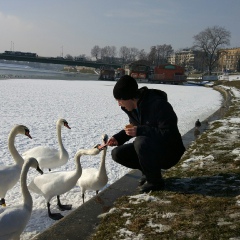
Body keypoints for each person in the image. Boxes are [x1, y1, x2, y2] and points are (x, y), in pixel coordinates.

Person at [107, 75, 185, 193]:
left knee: (140, 142)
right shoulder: (132, 108)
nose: (119, 104)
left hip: (170, 152)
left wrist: (140, 131)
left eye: (119, 100)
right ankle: (148, 172)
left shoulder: (159, 105)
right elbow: (134, 127)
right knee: (117, 153)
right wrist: (119, 138)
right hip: (151, 148)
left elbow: (170, 134)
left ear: (129, 97)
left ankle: (155, 182)